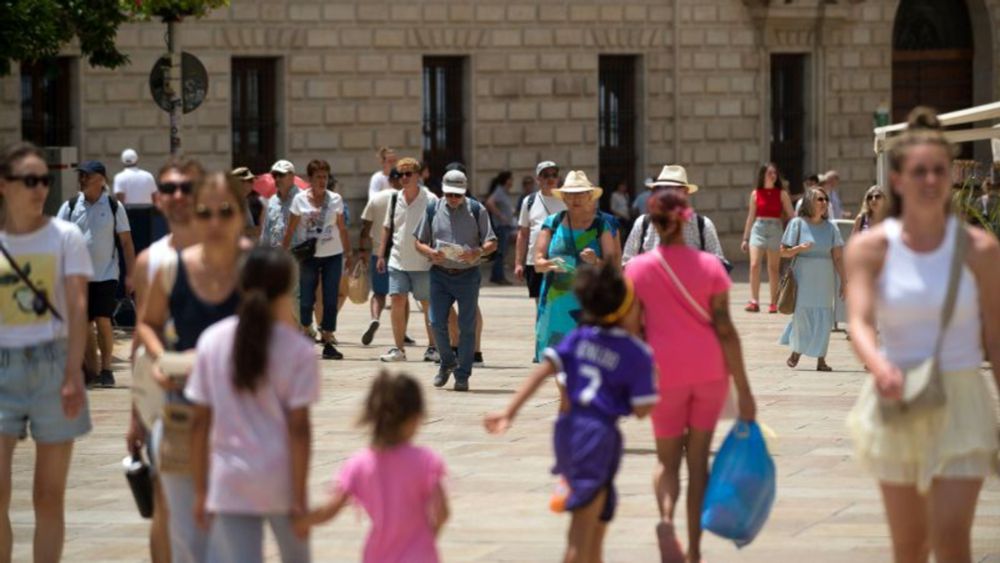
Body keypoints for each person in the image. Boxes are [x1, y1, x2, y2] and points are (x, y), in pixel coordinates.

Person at [845, 107, 1000, 563]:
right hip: (897, 398)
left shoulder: (980, 250)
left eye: (939, 170)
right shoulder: (871, 248)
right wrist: (879, 365)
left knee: (953, 541)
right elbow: (858, 320)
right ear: (897, 179)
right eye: (919, 171)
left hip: (961, 398)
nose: (930, 180)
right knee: (909, 548)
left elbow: (996, 337)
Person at [484, 262, 657, 563]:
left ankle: (572, 486)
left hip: (567, 430)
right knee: (580, 531)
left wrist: (508, 412)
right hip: (598, 435)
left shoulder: (579, 337)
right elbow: (643, 411)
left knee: (598, 522)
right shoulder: (635, 353)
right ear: (625, 310)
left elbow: (543, 371)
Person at [624, 187, 756, 563]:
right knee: (698, 463)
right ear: (686, 219)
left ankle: (666, 519)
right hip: (709, 372)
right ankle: (695, 551)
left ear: (652, 222)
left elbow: (632, 331)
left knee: (666, 462)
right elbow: (726, 330)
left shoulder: (637, 269)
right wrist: (744, 391)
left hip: (662, 373)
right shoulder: (711, 267)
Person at [136, 173, 246, 563]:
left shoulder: (256, 269)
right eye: (204, 212)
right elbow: (147, 323)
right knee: (186, 537)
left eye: (225, 211)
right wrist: (159, 358)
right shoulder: (172, 268)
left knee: (235, 537)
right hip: (182, 408)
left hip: (242, 416)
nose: (214, 221)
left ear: (241, 213)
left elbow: (284, 339)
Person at [187, 247, 316, 563]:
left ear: (240, 285)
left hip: (229, 481)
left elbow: (199, 423)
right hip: (279, 479)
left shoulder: (211, 341)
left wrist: (201, 491)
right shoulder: (298, 350)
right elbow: (299, 429)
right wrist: (299, 496)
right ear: (286, 290)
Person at [0, 142, 93, 563]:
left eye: (45, 180)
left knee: (47, 495)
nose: (39, 189)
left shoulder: (65, 236)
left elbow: (76, 307)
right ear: (5, 185)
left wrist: (73, 373)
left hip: (53, 366)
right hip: (3, 368)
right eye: (29, 181)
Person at [127, 156, 204, 563]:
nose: (178, 196)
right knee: (165, 504)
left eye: (187, 188)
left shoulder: (228, 256)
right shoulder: (148, 261)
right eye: (169, 189)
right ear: (157, 199)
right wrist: (135, 414)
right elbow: (143, 335)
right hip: (167, 400)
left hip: (218, 402)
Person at [296, 371, 449, 563]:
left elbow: (330, 509)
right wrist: (427, 539)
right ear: (414, 418)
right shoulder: (426, 461)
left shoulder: (358, 464)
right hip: (420, 555)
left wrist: (300, 521)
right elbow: (442, 512)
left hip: (378, 555)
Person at [415, 169, 497, 390]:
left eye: (457, 195)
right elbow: (419, 241)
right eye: (449, 194)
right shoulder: (432, 208)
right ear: (443, 191)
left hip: (468, 275)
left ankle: (463, 375)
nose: (453, 199)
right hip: (440, 274)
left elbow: (492, 242)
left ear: (464, 192)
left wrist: (477, 252)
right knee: (436, 322)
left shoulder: (477, 210)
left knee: (466, 326)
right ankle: (447, 363)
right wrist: (430, 253)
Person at [57, 159, 136, 388]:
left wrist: (131, 275)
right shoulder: (70, 205)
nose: (82, 180)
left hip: (105, 274)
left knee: (103, 321)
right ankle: (91, 370)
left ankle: (107, 369)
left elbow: (127, 243)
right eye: (80, 175)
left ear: (101, 179)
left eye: (87, 176)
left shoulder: (113, 206)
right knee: (83, 325)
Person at [533, 171, 617, 361]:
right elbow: (537, 263)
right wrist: (550, 264)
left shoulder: (600, 226)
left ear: (589, 196)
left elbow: (612, 267)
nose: (576, 198)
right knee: (558, 361)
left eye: (581, 193)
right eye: (570, 194)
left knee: (588, 359)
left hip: (589, 302)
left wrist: (596, 260)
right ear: (563, 197)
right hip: (557, 304)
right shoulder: (552, 222)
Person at [282, 159, 351, 360]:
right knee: (305, 299)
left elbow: (342, 228)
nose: (323, 181)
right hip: (309, 256)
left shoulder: (335, 199)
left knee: (330, 298)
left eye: (325, 177)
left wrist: (349, 253)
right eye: (318, 177)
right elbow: (291, 228)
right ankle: (306, 331)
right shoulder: (299, 200)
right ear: (310, 179)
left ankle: (328, 340)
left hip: (332, 254)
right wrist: (283, 253)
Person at [377, 157, 438, 363]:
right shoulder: (395, 199)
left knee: (427, 303)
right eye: (400, 174)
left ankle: (433, 347)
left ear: (418, 175)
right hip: (397, 259)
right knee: (397, 300)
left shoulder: (430, 199)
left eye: (408, 173)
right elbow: (387, 227)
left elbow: (439, 228)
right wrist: (380, 254)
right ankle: (398, 349)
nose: (403, 178)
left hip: (423, 262)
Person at [779, 187, 845, 371]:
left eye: (825, 199)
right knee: (802, 316)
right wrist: (799, 248)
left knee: (825, 317)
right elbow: (783, 252)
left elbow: (838, 257)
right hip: (803, 277)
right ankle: (797, 351)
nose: (824, 203)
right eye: (820, 199)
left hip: (824, 279)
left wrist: (845, 282)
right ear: (809, 201)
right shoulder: (797, 224)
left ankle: (821, 359)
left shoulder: (831, 227)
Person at [622, 165, 727, 266]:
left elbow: (719, 264)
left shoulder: (703, 225)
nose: (668, 195)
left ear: (686, 192)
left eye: (674, 189)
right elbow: (627, 263)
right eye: (662, 189)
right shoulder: (643, 223)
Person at [740, 162, 795, 313]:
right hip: (758, 228)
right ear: (763, 175)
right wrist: (745, 238)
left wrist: (796, 231)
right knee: (754, 265)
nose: (773, 176)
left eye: (775, 173)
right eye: (770, 173)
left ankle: (773, 302)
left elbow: (791, 215)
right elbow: (750, 217)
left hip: (775, 229)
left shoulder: (781, 194)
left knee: (773, 268)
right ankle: (754, 300)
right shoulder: (755, 194)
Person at [514, 161, 567, 307]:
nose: (550, 178)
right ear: (538, 179)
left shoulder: (566, 199)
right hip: (535, 261)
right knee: (541, 305)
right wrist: (519, 263)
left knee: (560, 303)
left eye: (554, 175)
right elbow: (523, 234)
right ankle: (542, 330)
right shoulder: (529, 201)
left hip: (561, 260)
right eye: (545, 175)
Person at [359, 177, 398, 346]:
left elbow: (365, 227)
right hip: (399, 253)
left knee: (379, 293)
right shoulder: (407, 198)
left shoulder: (376, 198)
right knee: (399, 296)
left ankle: (375, 318)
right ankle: (401, 332)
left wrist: (362, 251)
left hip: (378, 252)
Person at [485, 170, 517, 285]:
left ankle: (497, 275)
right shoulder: (499, 191)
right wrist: (500, 216)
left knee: (502, 252)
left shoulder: (503, 192)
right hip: (502, 227)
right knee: (501, 253)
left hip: (506, 226)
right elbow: (489, 203)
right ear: (506, 180)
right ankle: (498, 276)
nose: (512, 182)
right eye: (511, 179)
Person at [260, 160, 301, 248]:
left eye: (281, 175)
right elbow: (266, 231)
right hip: (275, 256)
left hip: (298, 256)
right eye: (275, 176)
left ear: (292, 176)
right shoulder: (272, 200)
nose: (277, 179)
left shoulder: (303, 199)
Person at [230, 167, 263, 241]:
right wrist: (254, 231)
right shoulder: (232, 203)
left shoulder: (244, 201)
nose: (252, 184)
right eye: (250, 181)